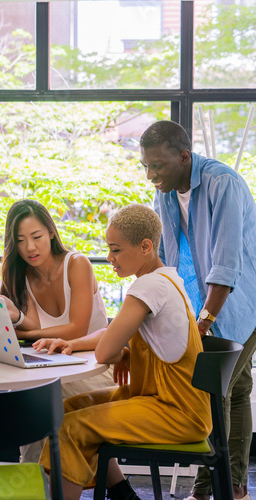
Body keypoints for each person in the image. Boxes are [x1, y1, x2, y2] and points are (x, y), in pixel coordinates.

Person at [34, 203, 212, 500]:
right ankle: (120, 492)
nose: (109, 258)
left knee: (72, 428)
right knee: (66, 410)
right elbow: (114, 332)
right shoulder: (167, 279)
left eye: (115, 250)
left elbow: (105, 352)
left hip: (176, 412)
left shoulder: (148, 287)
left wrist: (119, 353)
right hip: (168, 402)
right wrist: (74, 344)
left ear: (145, 247)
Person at [139, 120, 256, 500]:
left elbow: (226, 262)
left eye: (158, 165)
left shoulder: (224, 184)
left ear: (184, 156)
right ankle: (234, 487)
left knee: (211, 391)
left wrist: (205, 320)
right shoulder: (167, 193)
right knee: (235, 390)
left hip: (242, 302)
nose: (151, 175)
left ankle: (207, 490)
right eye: (146, 166)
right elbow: (170, 258)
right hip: (202, 303)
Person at [0, 199, 115, 467]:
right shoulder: (22, 276)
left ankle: (6, 468)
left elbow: (76, 329)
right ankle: (38, 479)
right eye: (21, 240)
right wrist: (15, 321)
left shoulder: (77, 264)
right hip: (55, 367)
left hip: (95, 367)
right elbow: (24, 328)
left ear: (51, 232)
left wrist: (24, 326)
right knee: (27, 391)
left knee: (39, 397)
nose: (30, 247)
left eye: (36, 237)